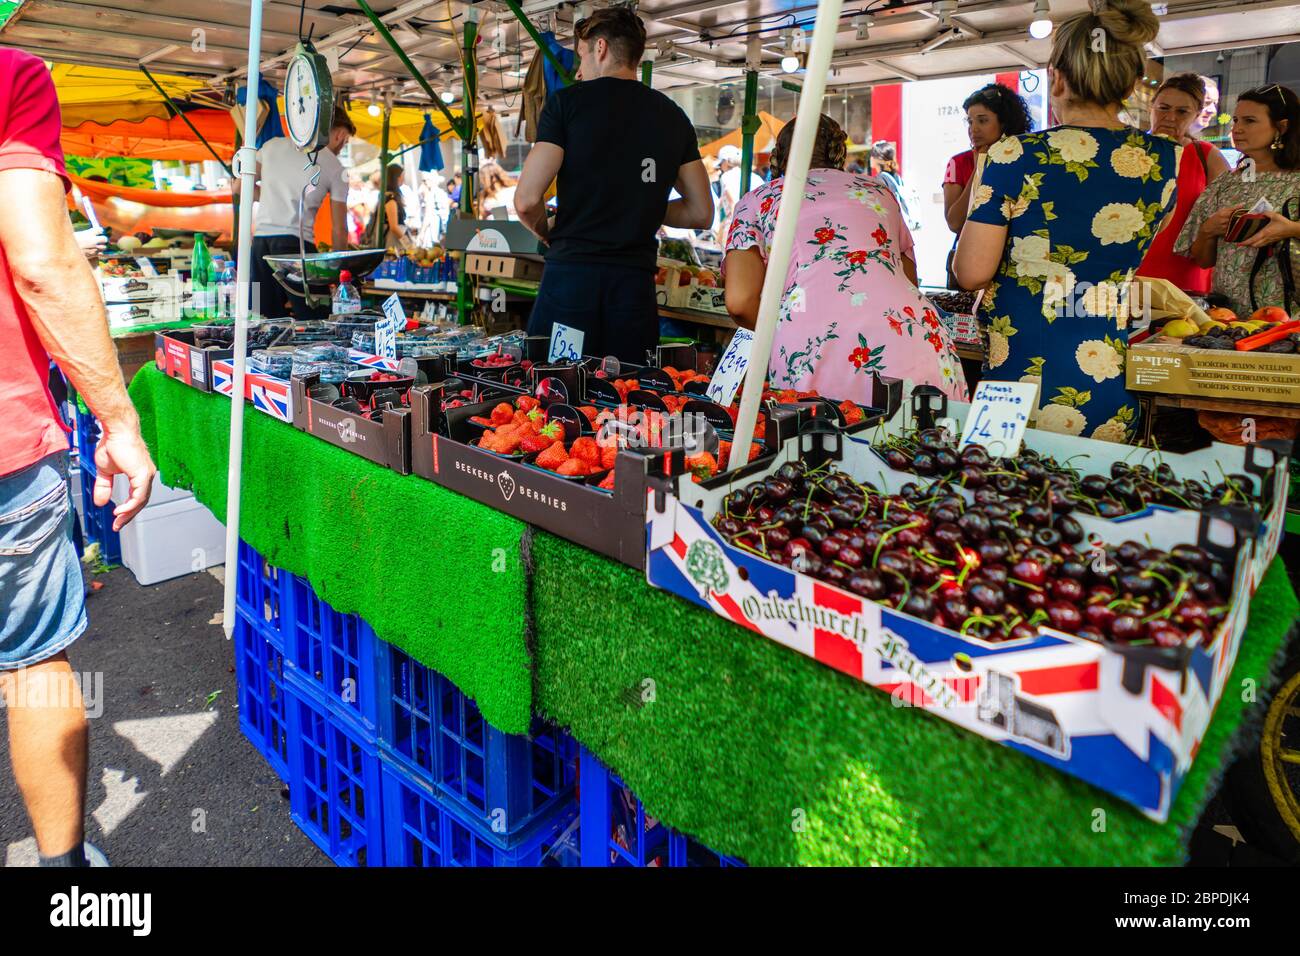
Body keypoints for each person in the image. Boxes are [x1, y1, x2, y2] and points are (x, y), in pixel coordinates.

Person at [0, 48, 157, 868]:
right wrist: (119, 422)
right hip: (6, 440)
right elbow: (42, 264)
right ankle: (63, 878)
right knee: (31, 663)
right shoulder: (12, 76)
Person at [954, 0, 1178, 443]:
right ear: (1130, 82)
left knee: (1003, 487)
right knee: (1098, 487)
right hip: (1109, 377)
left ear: (1056, 78)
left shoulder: (1015, 154)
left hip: (1020, 378)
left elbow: (971, 273)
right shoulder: (1166, 160)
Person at [514, 7, 713, 364]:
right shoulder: (672, 116)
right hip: (633, 290)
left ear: (600, 48)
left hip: (571, 282)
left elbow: (527, 200)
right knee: (627, 389)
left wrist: (546, 231)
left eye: (581, 55)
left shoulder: (566, 105)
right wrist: (638, 205)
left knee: (555, 385)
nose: (578, 70)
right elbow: (701, 212)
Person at [723, 114, 967, 401]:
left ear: (780, 154)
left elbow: (740, 301)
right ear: (839, 151)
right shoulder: (879, 191)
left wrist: (783, 328)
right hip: (913, 334)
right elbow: (909, 277)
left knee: (826, 428)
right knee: (922, 428)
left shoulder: (758, 200)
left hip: (814, 345)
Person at [1177, 84, 1300, 315]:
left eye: (1249, 121)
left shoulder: (1296, 180)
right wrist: (1208, 230)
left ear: (1281, 127)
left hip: (1287, 317)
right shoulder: (1226, 183)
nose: (1237, 129)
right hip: (1228, 317)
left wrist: (1290, 229)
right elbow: (1203, 261)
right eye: (1235, 120)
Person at [248, 105, 354, 320]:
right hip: (296, 248)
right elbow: (339, 229)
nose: (342, 147)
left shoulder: (271, 146)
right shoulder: (336, 168)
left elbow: (240, 187)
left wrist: (269, 197)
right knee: (317, 316)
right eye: (345, 142)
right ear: (340, 135)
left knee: (261, 317)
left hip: (260, 245)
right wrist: (338, 271)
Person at [1136, 74, 1230, 296]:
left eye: (1182, 112)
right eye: (1163, 108)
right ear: (1151, 107)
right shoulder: (1129, 149)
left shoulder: (1207, 155)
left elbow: (1228, 211)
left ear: (1196, 114)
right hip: (1132, 268)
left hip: (1186, 273)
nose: (1170, 117)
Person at [943, 83, 1034, 236]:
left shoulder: (1026, 158)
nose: (973, 129)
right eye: (970, 122)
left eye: (982, 121)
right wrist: (979, 167)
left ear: (1004, 123)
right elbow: (955, 223)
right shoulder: (958, 163)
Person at [870, 140, 920, 231]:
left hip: (890, 226)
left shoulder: (880, 179)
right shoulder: (897, 178)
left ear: (877, 159)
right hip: (902, 224)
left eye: (872, 155)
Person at [369, 163, 410, 248]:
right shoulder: (390, 197)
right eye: (402, 175)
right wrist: (408, 244)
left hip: (391, 241)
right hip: (391, 243)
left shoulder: (387, 196)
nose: (403, 178)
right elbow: (394, 227)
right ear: (396, 177)